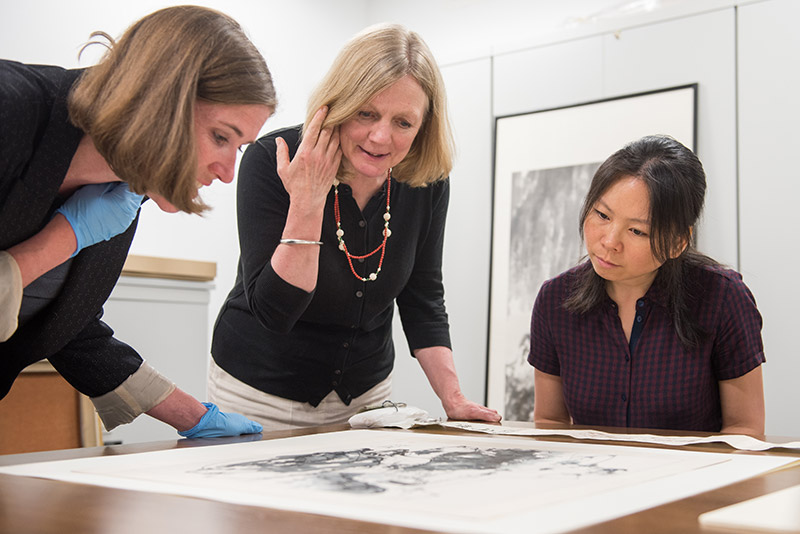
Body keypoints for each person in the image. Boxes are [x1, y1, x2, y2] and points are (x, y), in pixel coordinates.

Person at [0, 5, 276, 438]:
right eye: (221, 137)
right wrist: (61, 240)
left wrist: (193, 417)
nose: (226, 172)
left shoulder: (125, 188)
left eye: (238, 148)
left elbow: (71, 329)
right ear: (158, 97)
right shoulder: (9, 109)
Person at [209, 23, 501, 429]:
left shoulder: (425, 181)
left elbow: (423, 297)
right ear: (337, 105)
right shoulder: (273, 159)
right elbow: (274, 311)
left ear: (423, 126)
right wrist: (308, 201)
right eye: (366, 113)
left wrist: (453, 398)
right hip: (260, 393)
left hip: (366, 396)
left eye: (404, 122)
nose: (381, 137)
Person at [528, 135, 765, 435]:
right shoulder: (555, 301)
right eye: (602, 215)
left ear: (677, 241)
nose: (610, 241)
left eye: (637, 231)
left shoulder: (722, 298)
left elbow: (744, 429)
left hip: (694, 478)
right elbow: (550, 422)